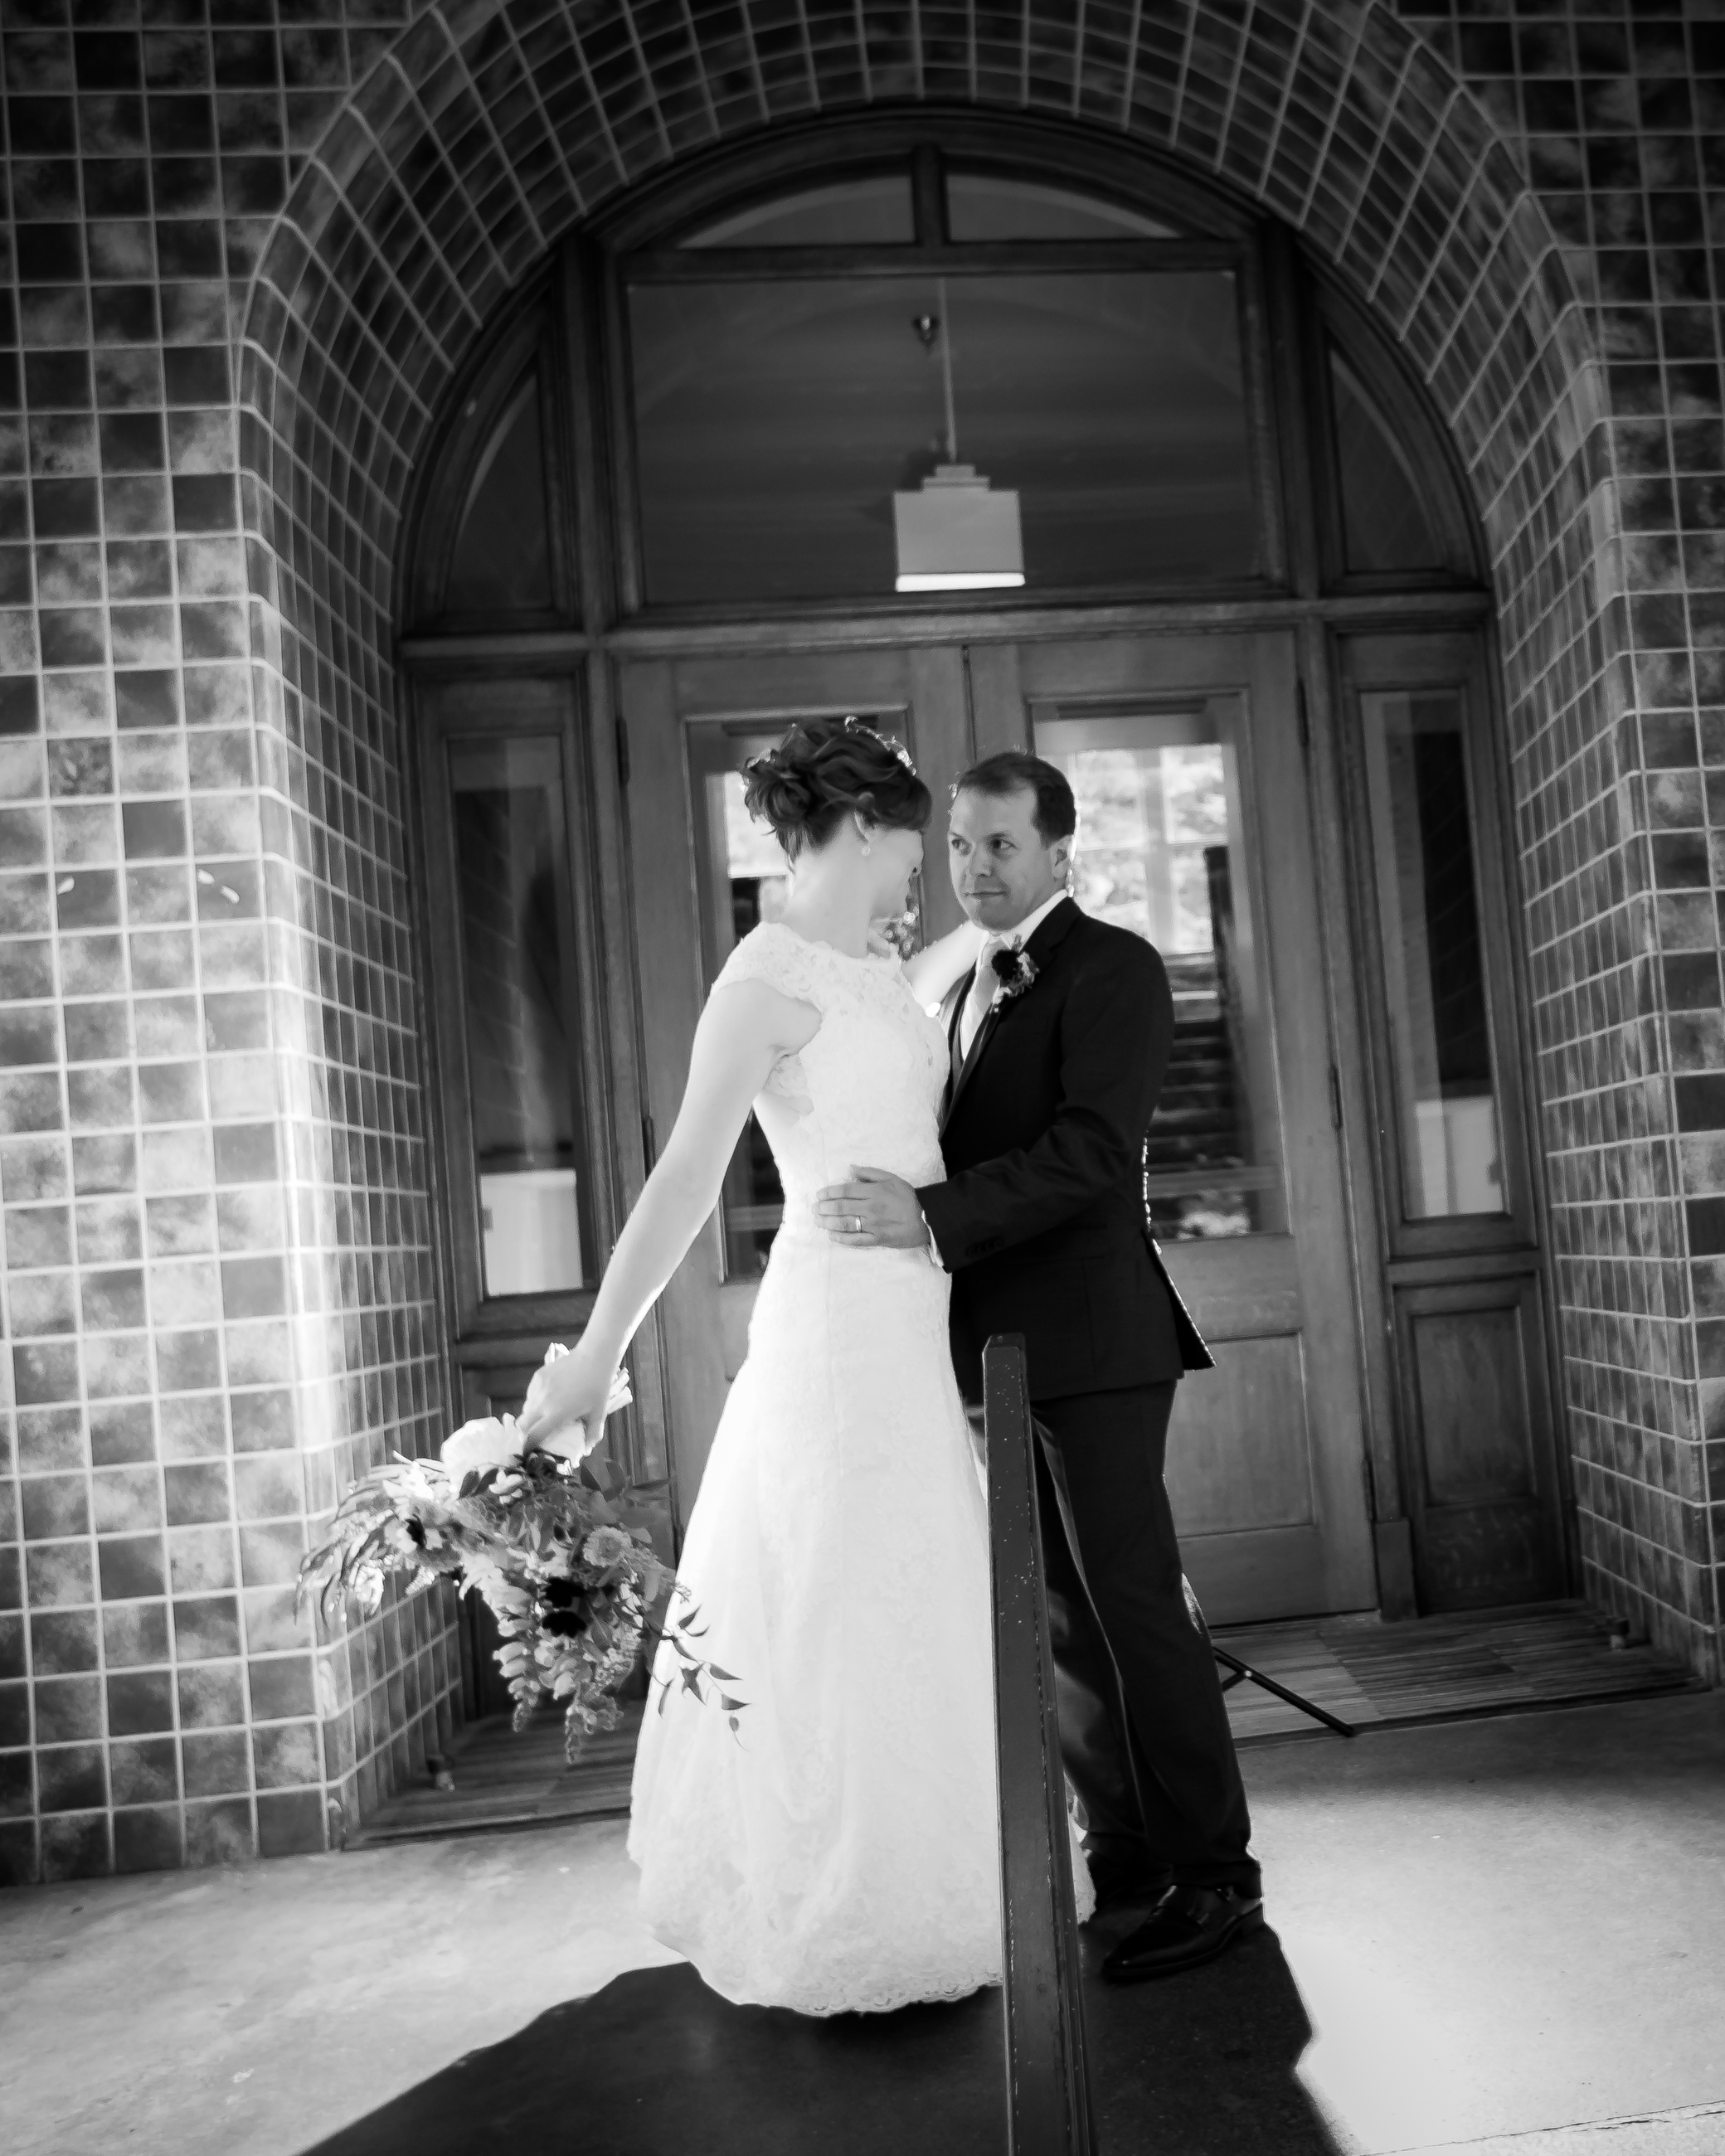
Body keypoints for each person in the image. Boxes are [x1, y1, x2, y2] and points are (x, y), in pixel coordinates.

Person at [515, 717, 1085, 2017]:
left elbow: (946, 969)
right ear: (871, 830)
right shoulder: (762, 984)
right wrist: (594, 1361)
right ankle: (838, 1902)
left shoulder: (874, 968)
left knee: (914, 1597)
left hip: (908, 1326)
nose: (920, 885)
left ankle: (949, 1876)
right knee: (834, 1602)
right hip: (835, 1334)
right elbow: (681, 1185)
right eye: (912, 855)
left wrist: (1038, 908)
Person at [815, 750, 1263, 1983]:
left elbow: (1088, 1155)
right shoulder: (962, 986)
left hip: (1101, 1341)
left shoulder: (1112, 967)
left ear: (1060, 853)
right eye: (959, 845)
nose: (974, 868)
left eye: (1000, 845)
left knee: (1136, 1608)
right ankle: (1126, 1861)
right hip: (1000, 1356)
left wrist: (931, 1217)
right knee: (1064, 1620)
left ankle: (1217, 1878)